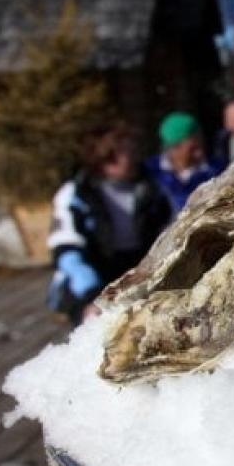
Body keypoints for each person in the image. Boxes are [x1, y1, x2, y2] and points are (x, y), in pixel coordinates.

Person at [47, 125, 171, 324]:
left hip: (137, 271)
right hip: (91, 277)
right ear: (103, 157)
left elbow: (170, 230)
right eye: (121, 153)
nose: (130, 158)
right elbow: (67, 252)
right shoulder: (77, 194)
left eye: (132, 150)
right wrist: (92, 294)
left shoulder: (152, 188)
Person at [149, 112, 221, 212]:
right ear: (173, 149)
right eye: (192, 149)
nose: (200, 153)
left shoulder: (217, 170)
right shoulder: (151, 174)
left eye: (201, 144)